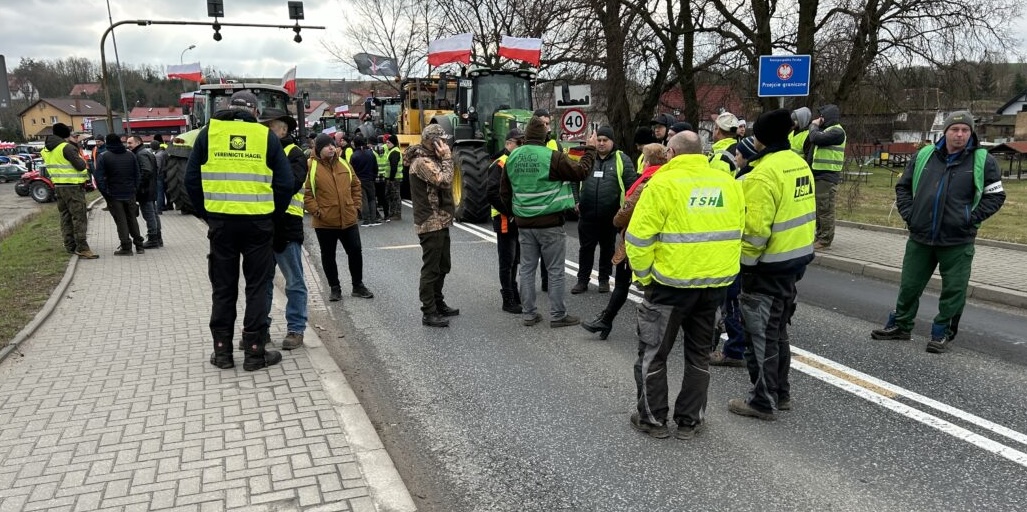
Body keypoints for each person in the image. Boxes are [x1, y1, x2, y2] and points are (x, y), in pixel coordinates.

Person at [625, 131, 745, 440]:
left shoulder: (662, 185)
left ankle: (653, 420)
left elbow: (638, 239)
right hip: (713, 287)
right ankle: (690, 421)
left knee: (654, 353)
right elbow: (739, 230)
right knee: (699, 355)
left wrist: (644, 276)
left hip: (668, 286)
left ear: (671, 153)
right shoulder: (729, 185)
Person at [870, 111, 1005, 354]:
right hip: (921, 236)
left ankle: (941, 333)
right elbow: (903, 187)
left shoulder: (982, 160)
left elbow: (995, 196)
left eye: (965, 130)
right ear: (945, 131)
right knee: (910, 285)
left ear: (971, 133)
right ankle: (901, 325)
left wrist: (969, 219)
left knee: (954, 289)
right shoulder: (924, 155)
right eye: (955, 129)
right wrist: (910, 215)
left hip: (957, 240)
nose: (960, 134)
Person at [185, 90, 294, 371]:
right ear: (255, 112)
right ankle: (255, 353)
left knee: (223, 289)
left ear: (226, 107)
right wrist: (271, 214)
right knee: (257, 287)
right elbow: (284, 183)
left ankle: (222, 353)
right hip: (258, 223)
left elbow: (191, 180)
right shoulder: (264, 136)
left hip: (221, 224)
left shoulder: (208, 134)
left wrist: (208, 214)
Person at [727, 108, 816, 421]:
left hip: (766, 267)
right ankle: (781, 393)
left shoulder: (763, 174)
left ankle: (763, 401)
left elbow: (755, 231)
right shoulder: (798, 162)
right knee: (777, 331)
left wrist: (745, 267)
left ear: (760, 138)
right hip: (794, 262)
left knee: (760, 335)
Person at [501, 117, 597, 328]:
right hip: (550, 224)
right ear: (545, 137)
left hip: (524, 224)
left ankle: (528, 314)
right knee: (554, 270)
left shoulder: (513, 157)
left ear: (525, 137)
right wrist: (590, 149)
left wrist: (515, 213)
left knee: (526, 269)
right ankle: (558, 315)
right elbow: (581, 172)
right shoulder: (552, 156)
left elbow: (504, 192)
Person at [582, 142, 668, 340]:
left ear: (648, 162)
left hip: (636, 240)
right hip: (660, 241)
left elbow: (625, 211)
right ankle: (607, 320)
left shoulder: (647, 182)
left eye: (644, 159)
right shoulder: (668, 179)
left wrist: (616, 220)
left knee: (625, 282)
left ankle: (611, 321)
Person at [710, 136, 763, 367]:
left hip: (737, 252)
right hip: (752, 254)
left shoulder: (742, 181)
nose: (737, 157)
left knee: (731, 302)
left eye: (740, 154)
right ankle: (743, 346)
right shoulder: (750, 176)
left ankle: (734, 350)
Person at [304, 134, 375, 302]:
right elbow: (307, 195)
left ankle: (358, 286)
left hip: (348, 218)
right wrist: (317, 212)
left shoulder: (343, 162)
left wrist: (356, 205)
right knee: (328, 256)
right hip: (325, 222)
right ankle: (334, 288)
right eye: (327, 146)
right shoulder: (311, 166)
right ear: (319, 149)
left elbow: (355, 185)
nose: (331, 148)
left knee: (355, 251)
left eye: (332, 144)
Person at [261, 109, 309, 350]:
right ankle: (261, 329)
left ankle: (296, 329)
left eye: (269, 127)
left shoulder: (295, 154)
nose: (265, 131)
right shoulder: (260, 153)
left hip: (287, 226)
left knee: (294, 282)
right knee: (262, 282)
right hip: (262, 225)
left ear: (283, 130)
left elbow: (288, 185)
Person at [572, 126, 637, 294]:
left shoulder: (622, 159)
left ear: (612, 141)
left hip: (611, 216)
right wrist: (576, 201)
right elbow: (574, 179)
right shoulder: (587, 158)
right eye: (599, 140)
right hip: (586, 214)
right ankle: (582, 280)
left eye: (604, 140)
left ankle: (604, 280)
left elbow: (632, 187)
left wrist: (625, 211)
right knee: (586, 249)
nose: (601, 143)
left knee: (607, 248)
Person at [406, 124, 460, 327]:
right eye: (442, 140)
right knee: (431, 269)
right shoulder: (421, 162)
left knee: (443, 265)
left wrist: (444, 158)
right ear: (433, 142)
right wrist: (447, 158)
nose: (445, 144)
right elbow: (444, 181)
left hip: (441, 220)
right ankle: (428, 311)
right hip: (430, 222)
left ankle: (438, 302)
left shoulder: (432, 159)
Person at [41, 122, 97, 259]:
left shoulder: (46, 149)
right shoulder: (66, 147)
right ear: (66, 134)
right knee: (79, 217)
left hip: (58, 187)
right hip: (72, 187)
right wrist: (82, 158)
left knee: (65, 217)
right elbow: (80, 165)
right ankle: (82, 248)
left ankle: (70, 245)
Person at [487, 129, 526, 314]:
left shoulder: (515, 161)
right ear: (509, 144)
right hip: (504, 217)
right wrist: (509, 212)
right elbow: (492, 192)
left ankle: (513, 291)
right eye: (519, 143)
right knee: (507, 260)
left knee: (515, 258)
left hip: (514, 216)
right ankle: (508, 298)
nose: (522, 147)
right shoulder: (501, 164)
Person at [94, 133, 144, 256]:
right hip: (130, 193)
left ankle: (126, 247)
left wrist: (106, 193)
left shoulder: (103, 156)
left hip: (114, 195)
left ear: (108, 143)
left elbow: (98, 178)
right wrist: (134, 189)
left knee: (121, 221)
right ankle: (139, 245)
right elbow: (137, 174)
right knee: (132, 218)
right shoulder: (130, 155)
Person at [806, 104, 846, 250]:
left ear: (828, 117)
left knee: (825, 208)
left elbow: (814, 137)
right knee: (818, 208)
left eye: (821, 116)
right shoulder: (826, 130)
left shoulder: (837, 132)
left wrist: (813, 125)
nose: (819, 119)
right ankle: (819, 235)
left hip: (827, 176)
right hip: (818, 175)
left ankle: (825, 240)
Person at [126, 135, 163, 248]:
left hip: (145, 190)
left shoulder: (140, 154)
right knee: (153, 214)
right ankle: (158, 238)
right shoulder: (145, 152)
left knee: (149, 215)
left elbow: (146, 171)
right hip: (150, 188)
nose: (128, 145)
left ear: (137, 143)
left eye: (130, 143)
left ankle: (153, 239)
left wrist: (138, 185)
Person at [350, 136, 380, 226]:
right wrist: (374, 176)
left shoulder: (354, 155)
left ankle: (366, 219)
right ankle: (373, 218)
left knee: (364, 199)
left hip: (359, 180)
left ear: (355, 144)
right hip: (370, 179)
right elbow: (376, 167)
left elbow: (351, 170)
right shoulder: (371, 153)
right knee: (372, 199)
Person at [382, 134, 404, 221]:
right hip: (392, 178)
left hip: (394, 178)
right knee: (391, 196)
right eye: (386, 142)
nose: (387, 144)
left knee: (395, 196)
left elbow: (393, 167)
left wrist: (391, 178)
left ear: (393, 143)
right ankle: (393, 213)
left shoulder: (394, 152)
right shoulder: (392, 151)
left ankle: (397, 214)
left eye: (388, 142)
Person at [150, 140, 169, 213]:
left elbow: (158, 167)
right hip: (165, 174)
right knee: (165, 191)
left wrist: (154, 175)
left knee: (159, 192)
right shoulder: (164, 153)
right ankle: (164, 206)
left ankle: (158, 209)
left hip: (159, 175)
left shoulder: (158, 156)